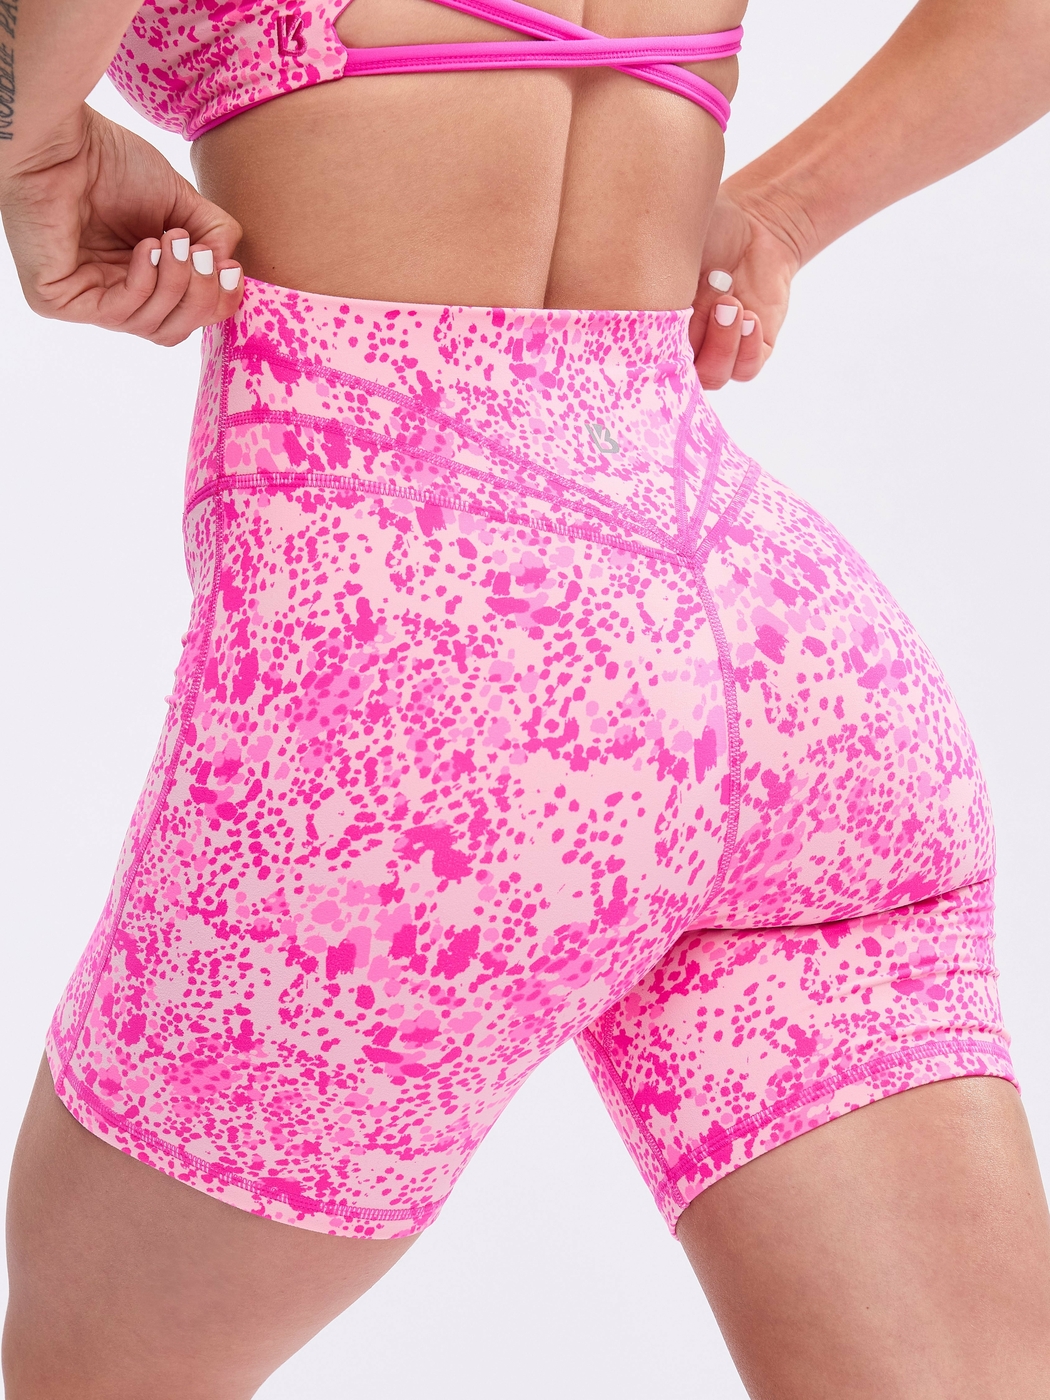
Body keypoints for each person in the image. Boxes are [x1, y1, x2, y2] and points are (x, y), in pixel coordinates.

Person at [2, 0, 1050, 1395]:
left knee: (91, 1368)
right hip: (799, 658)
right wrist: (782, 215)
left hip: (430, 675)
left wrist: (32, 149)